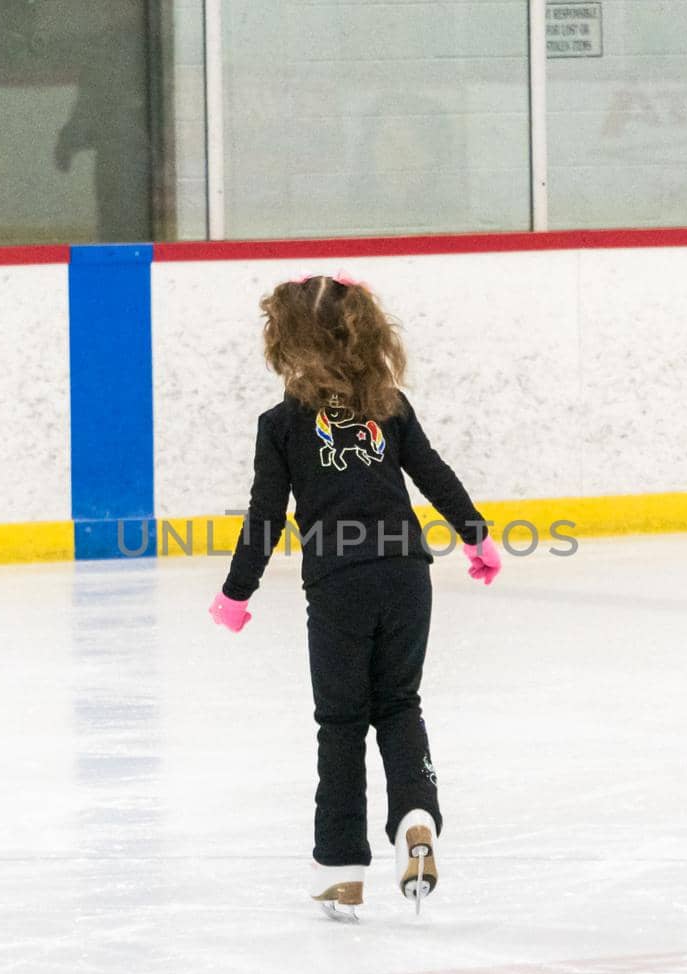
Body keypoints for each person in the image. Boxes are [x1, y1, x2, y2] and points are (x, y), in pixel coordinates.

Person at [207, 274, 502, 922]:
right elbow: (435, 476)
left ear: (286, 344)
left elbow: (265, 517)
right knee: (398, 704)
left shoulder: (282, 424)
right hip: (406, 574)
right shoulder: (389, 405)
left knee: (341, 724)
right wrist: (477, 540)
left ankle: (340, 869)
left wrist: (236, 592)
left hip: (339, 585)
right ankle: (416, 821)